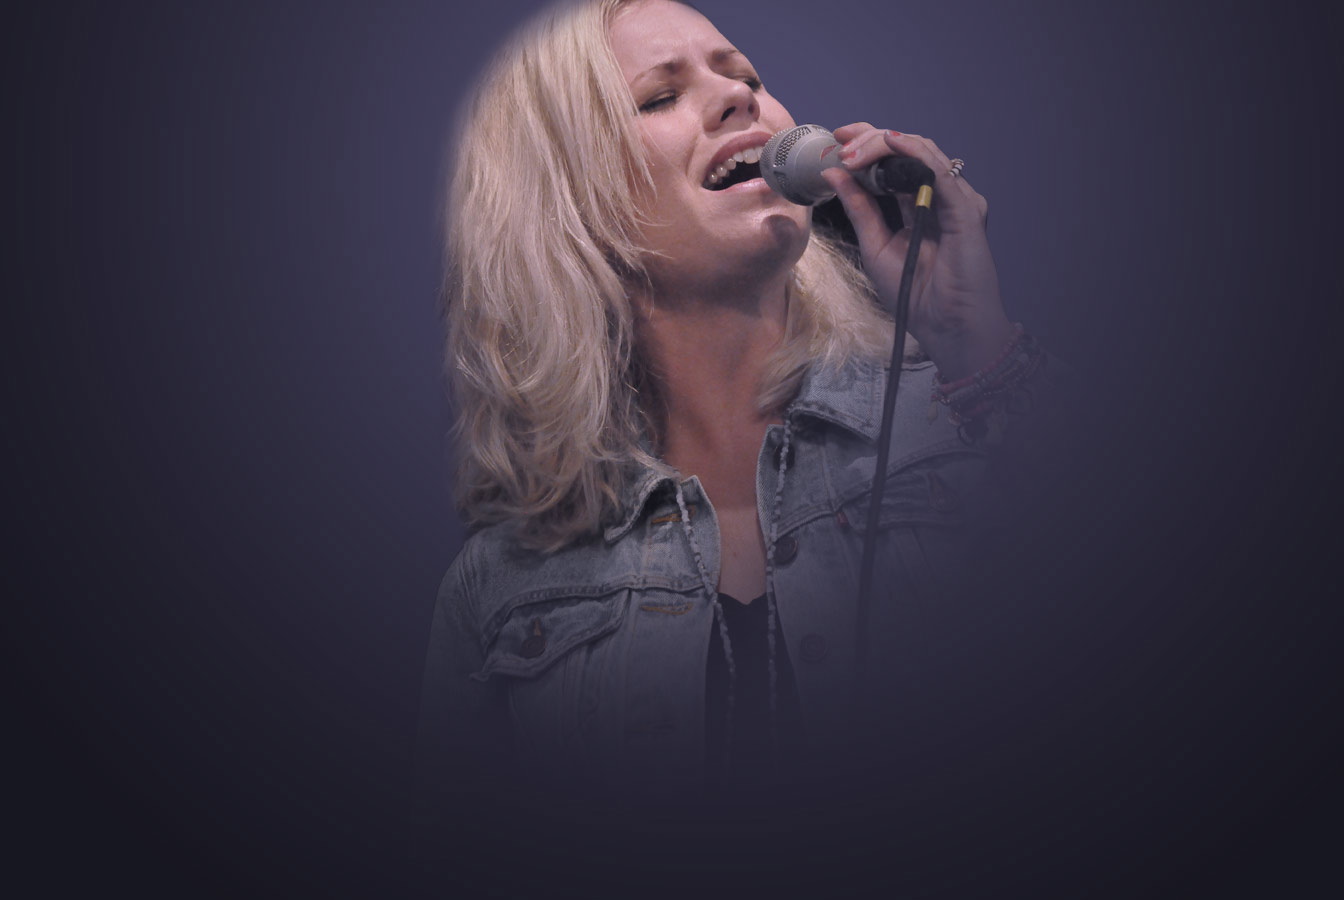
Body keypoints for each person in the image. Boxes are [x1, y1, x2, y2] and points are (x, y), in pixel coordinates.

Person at [415, 0, 1067, 879]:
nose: (738, 98)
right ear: (571, 207)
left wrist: (978, 348)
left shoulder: (965, 417)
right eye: (659, 97)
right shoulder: (501, 585)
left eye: (746, 77)